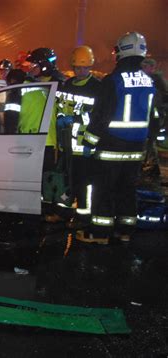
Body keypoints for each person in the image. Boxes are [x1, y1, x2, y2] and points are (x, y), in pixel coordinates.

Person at [77, 32, 156, 244]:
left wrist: (88, 142)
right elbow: (156, 116)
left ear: (121, 52)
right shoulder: (149, 81)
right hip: (137, 148)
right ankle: (125, 231)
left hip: (111, 146)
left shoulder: (112, 81)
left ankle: (100, 234)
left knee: (104, 190)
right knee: (127, 190)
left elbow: (101, 116)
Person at [56, 45, 102, 228]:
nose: (80, 71)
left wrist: (75, 118)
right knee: (66, 180)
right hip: (67, 144)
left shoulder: (97, 88)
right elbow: (59, 108)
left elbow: (98, 117)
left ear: (90, 67)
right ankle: (63, 213)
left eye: (84, 68)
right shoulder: (67, 85)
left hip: (85, 146)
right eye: (77, 67)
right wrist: (61, 118)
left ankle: (84, 216)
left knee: (85, 183)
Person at [25, 48, 67, 222]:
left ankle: (51, 209)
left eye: (33, 64)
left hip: (49, 140)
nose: (30, 68)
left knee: (49, 178)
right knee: (29, 177)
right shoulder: (28, 82)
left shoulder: (60, 84)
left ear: (44, 65)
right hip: (27, 138)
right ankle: (34, 208)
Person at [141, 57, 168, 177]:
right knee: (149, 141)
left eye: (146, 67)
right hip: (150, 115)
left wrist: (160, 115)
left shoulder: (157, 81)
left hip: (154, 116)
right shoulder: (150, 80)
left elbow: (162, 100)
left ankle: (152, 166)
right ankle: (151, 166)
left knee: (150, 141)